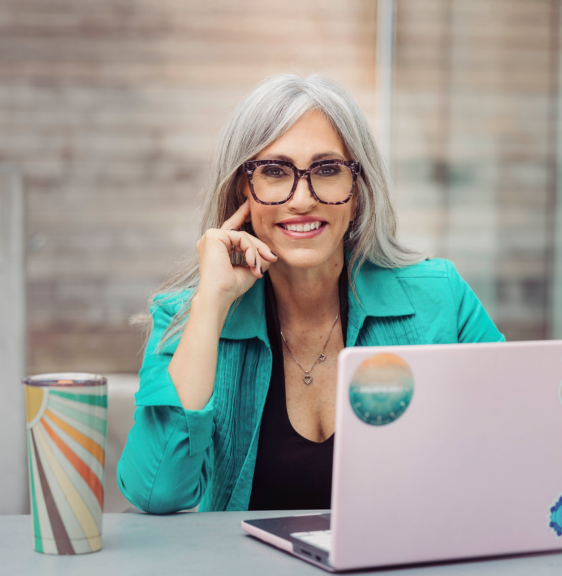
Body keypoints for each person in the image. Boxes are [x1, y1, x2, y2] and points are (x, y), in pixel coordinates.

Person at [117, 74, 504, 514]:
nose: (301, 199)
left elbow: (512, 444)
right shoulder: (188, 317)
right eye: (275, 172)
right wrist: (210, 303)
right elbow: (157, 492)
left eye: (326, 170)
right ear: (242, 189)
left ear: (358, 189)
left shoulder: (441, 297)